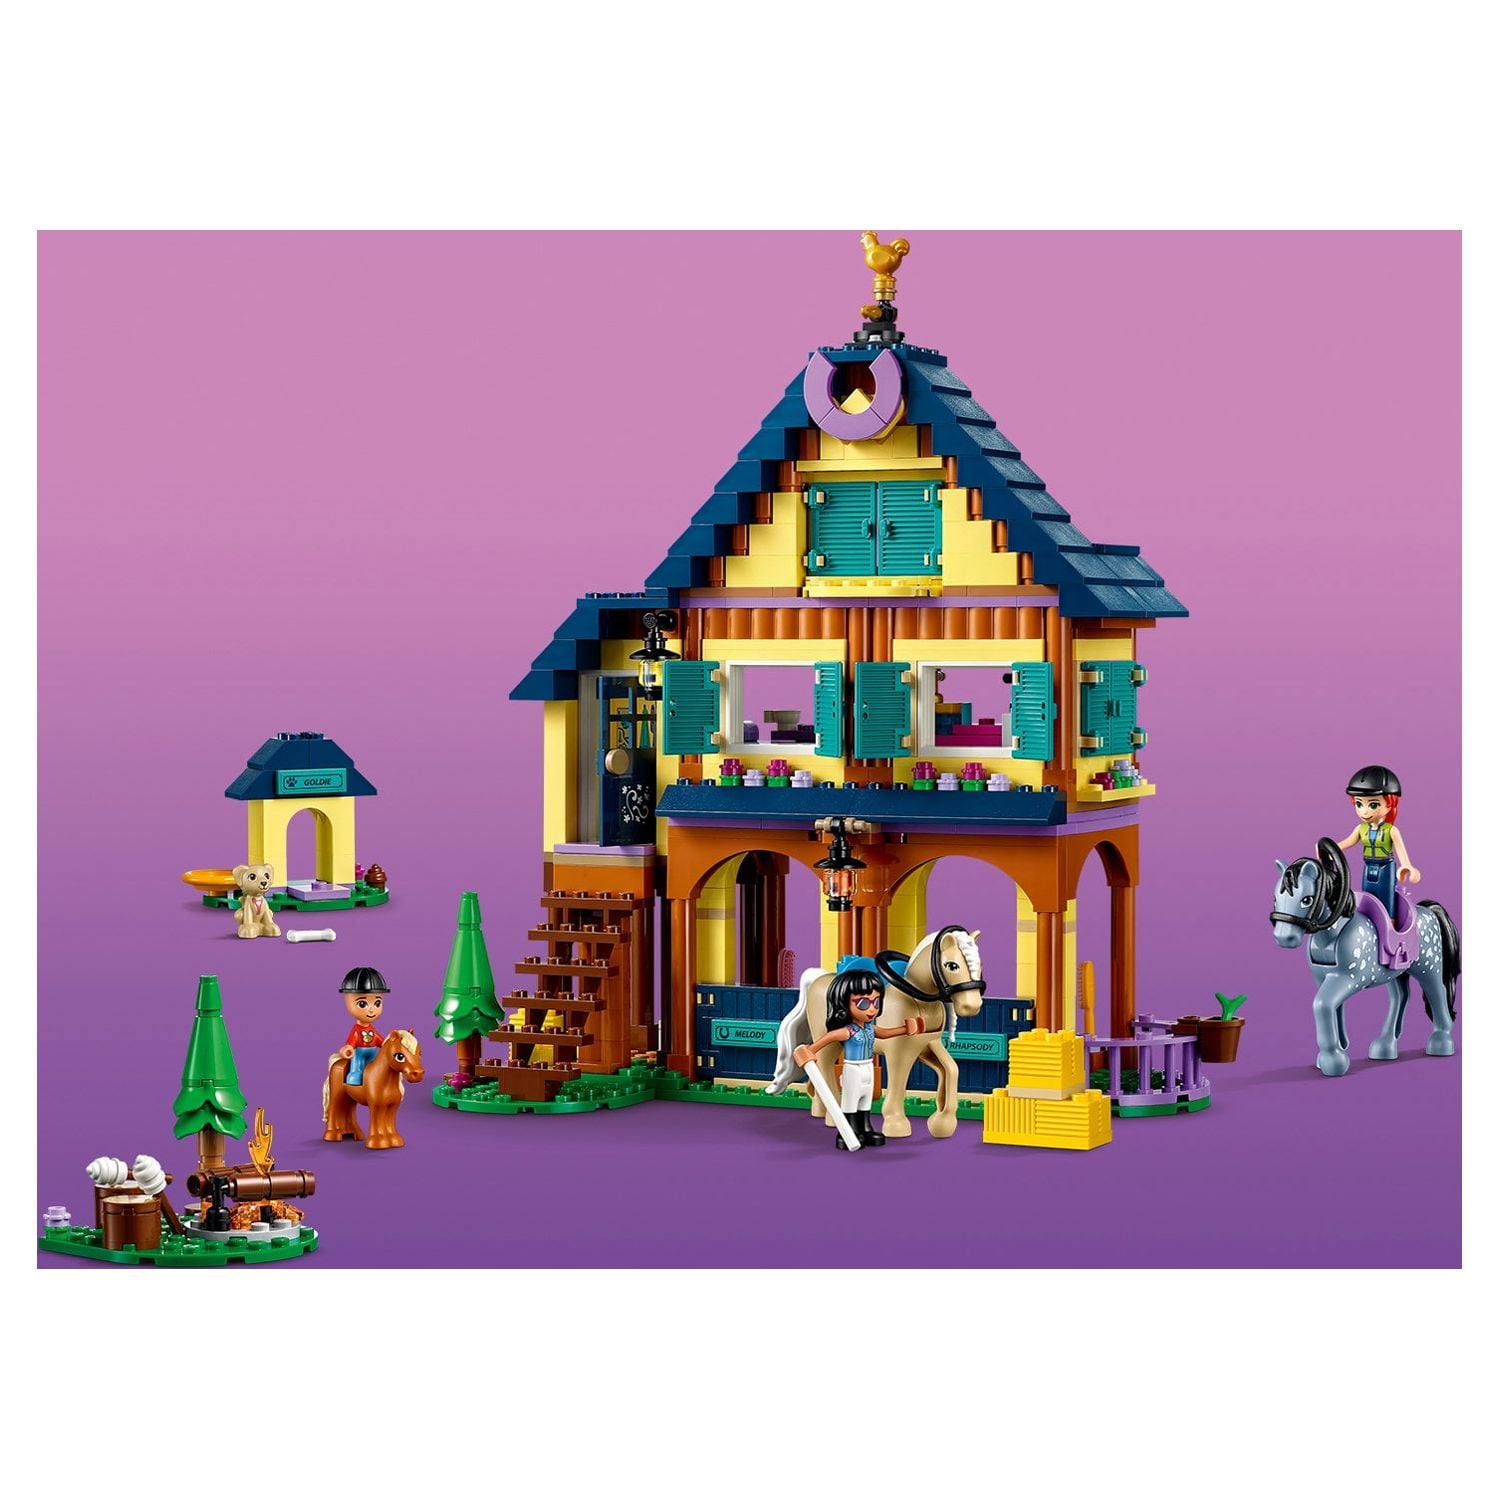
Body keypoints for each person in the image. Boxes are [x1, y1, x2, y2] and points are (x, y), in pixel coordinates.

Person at [794, 969, 920, 1149]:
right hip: (853, 1069)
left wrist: (905, 1029)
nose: (871, 1009)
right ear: (844, 1004)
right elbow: (827, 1038)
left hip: (868, 1067)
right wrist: (809, 1050)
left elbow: (884, 1033)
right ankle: (848, 1131)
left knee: (865, 1100)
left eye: (876, 1002)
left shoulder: (870, 1028)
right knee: (851, 1100)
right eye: (863, 1003)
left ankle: (865, 1128)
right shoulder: (847, 1031)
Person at [1337, 766, 1420, 920]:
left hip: (1385, 867)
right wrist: (1331, 848)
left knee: (1386, 898)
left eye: (1373, 805)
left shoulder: (1391, 831)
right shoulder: (1361, 829)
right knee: (1366, 898)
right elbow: (1347, 842)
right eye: (1359, 804)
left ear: (1390, 804)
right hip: (1368, 865)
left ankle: (1390, 924)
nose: (1364, 811)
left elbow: (1400, 850)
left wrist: (1406, 866)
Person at [338, 966, 389, 1086]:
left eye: (377, 1003)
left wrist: (387, 1044)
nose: (371, 1010)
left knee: (375, 1068)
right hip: (359, 1053)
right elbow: (351, 1043)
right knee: (357, 1069)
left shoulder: (372, 1029)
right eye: (362, 1004)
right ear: (347, 1002)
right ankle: (355, 1075)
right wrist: (348, 1049)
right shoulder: (356, 1030)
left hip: (372, 1052)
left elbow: (379, 1040)